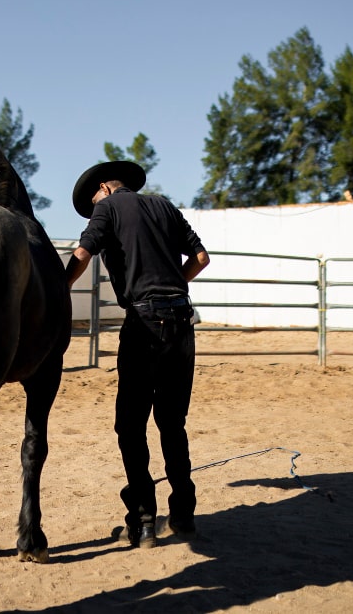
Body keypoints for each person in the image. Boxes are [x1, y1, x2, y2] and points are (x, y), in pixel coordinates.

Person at [65, 160, 210, 549]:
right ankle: (183, 514)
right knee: (172, 422)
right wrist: (173, 286)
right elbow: (200, 258)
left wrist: (57, 289)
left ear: (104, 189)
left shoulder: (107, 209)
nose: (95, 204)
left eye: (93, 199)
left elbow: (82, 253)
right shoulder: (163, 204)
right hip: (182, 320)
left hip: (144, 323)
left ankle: (144, 520)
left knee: (130, 426)